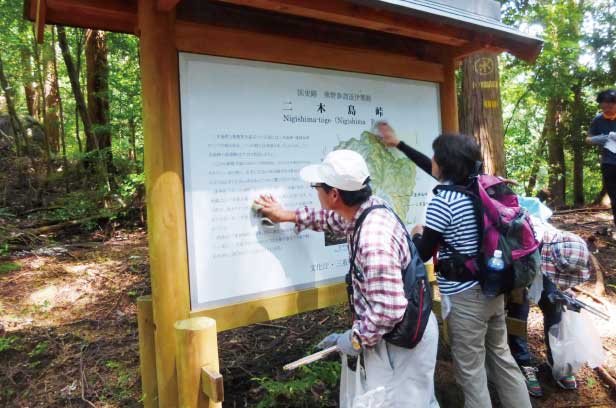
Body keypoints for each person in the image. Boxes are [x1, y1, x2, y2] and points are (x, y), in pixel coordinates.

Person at [255, 149, 440, 407]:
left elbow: (389, 309)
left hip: (403, 340)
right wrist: (286, 215)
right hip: (401, 332)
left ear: (334, 194)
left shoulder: (372, 238)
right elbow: (331, 219)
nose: (315, 190)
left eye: (317, 186)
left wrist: (354, 339)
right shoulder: (365, 210)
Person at [377, 127, 531, 408]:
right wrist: (399, 144)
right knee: (502, 359)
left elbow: (422, 252)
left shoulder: (443, 202)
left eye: (436, 157)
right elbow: (434, 170)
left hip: (464, 299)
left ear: (445, 164)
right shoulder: (482, 185)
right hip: (492, 287)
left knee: (471, 372)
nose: (432, 160)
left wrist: (416, 233)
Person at [507, 214, 591, 397]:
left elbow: (562, 272)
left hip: (544, 265)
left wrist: (565, 291)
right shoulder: (524, 237)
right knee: (518, 313)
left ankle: (557, 360)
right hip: (521, 264)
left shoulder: (563, 244)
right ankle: (523, 363)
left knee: (555, 308)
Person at [585, 89, 616, 233]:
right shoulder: (598, 120)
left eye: (610, 106)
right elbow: (588, 139)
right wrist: (605, 138)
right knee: (614, 195)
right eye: (603, 107)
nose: (607, 110)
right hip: (609, 163)